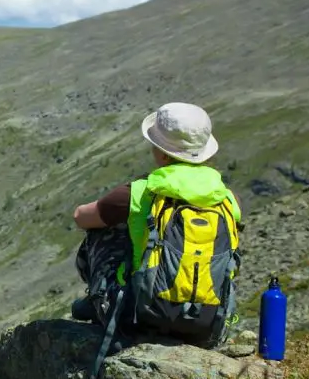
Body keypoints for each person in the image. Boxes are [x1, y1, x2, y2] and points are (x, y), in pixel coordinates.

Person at [69, 101, 243, 329]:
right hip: (208, 322)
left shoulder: (139, 193)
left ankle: (99, 298)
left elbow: (80, 217)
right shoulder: (228, 200)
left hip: (139, 317)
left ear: (162, 155)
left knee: (104, 229)